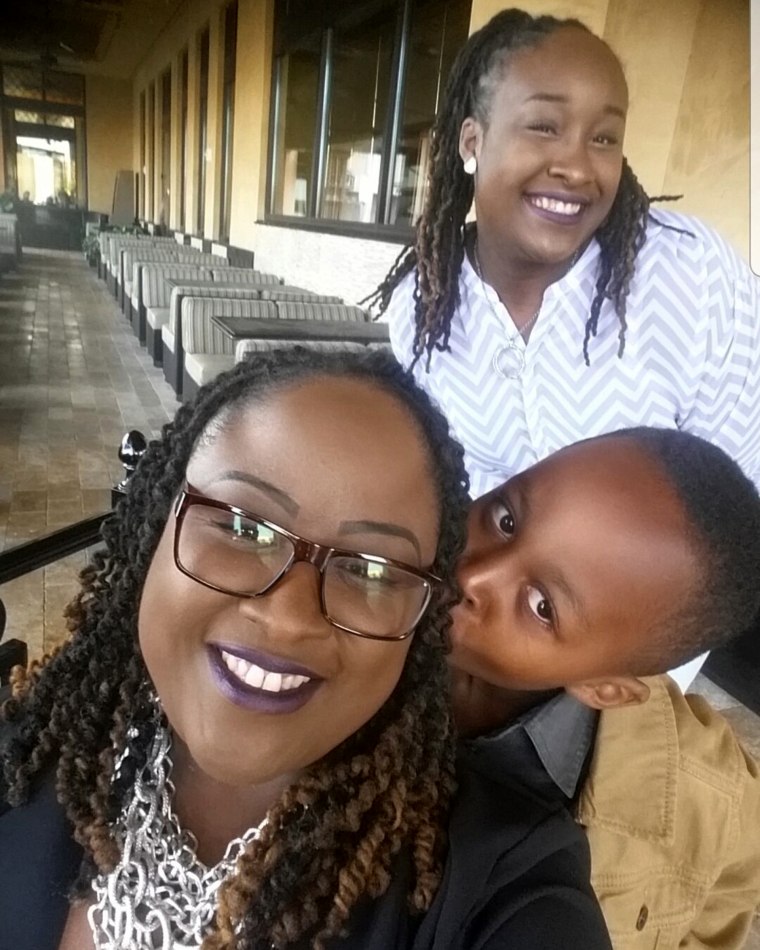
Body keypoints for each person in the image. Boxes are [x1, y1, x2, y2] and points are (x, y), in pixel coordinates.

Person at [0, 348, 611, 950]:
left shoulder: (504, 876)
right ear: (159, 520)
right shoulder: (22, 752)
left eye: (371, 570)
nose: (288, 617)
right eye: (243, 526)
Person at [368, 8, 760, 690]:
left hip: (622, 670)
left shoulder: (687, 277)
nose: (578, 165)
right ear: (472, 141)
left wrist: (635, 682)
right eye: (544, 125)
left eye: (604, 137)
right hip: (468, 635)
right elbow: (435, 491)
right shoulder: (423, 306)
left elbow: (730, 514)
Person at [449, 426, 760, 949]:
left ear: (604, 688)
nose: (472, 577)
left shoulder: (708, 796)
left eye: (542, 606)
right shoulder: (359, 604)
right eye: (505, 519)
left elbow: (736, 883)